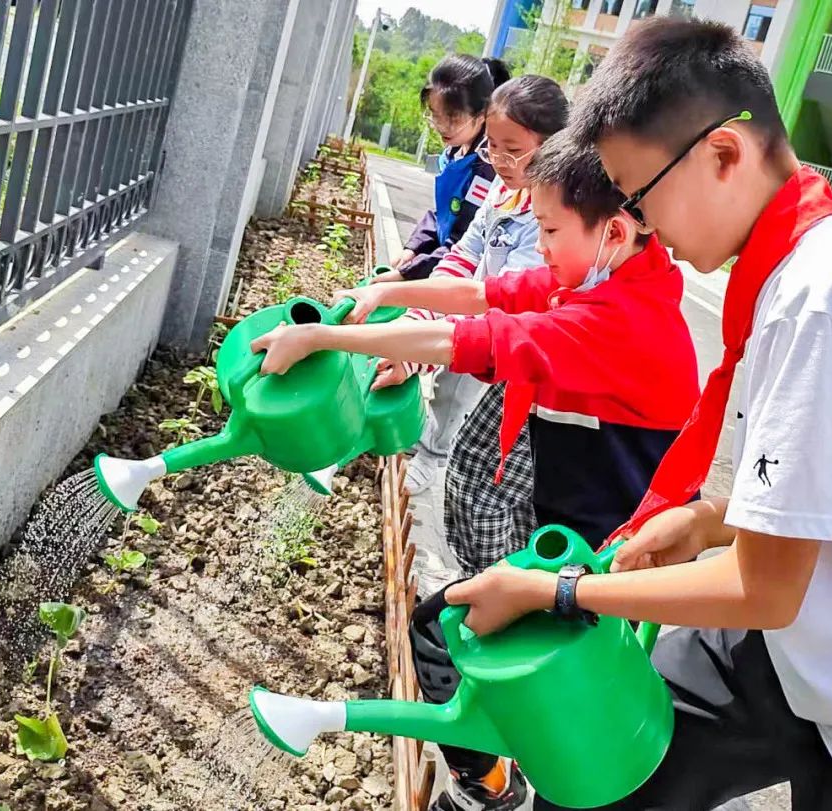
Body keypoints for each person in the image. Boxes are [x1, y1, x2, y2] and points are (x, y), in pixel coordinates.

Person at [444, 17, 832, 811]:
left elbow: (763, 591)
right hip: (818, 621)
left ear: (722, 155)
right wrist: (713, 519)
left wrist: (558, 591)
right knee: (611, 757)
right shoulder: (824, 253)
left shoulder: (825, 299)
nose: (643, 221)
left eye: (640, 194)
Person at [250, 131, 700, 810]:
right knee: (483, 652)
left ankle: (488, 784)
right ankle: (501, 776)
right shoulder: (604, 278)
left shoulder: (620, 321)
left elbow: (461, 341)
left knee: (450, 630)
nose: (539, 244)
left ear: (611, 231)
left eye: (548, 228)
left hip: (608, 564)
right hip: (578, 538)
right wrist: (393, 291)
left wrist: (323, 337)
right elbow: (490, 296)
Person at [395, 75, 568, 503]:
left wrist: (421, 342)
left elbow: (502, 296)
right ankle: (428, 444)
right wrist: (421, 313)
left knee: (461, 395)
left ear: (554, 146)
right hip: (481, 313)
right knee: (449, 380)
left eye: (514, 151)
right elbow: (465, 254)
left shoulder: (552, 214)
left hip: (514, 336)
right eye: (493, 147)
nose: (500, 161)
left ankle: (434, 457)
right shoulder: (502, 190)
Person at [373, 54, 508, 285]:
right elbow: (442, 214)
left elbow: (463, 240)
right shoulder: (456, 152)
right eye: (436, 116)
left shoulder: (487, 167)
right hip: (439, 263)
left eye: (453, 119)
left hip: (462, 276)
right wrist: (412, 249)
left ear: (482, 113)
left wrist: (407, 273)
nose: (441, 127)